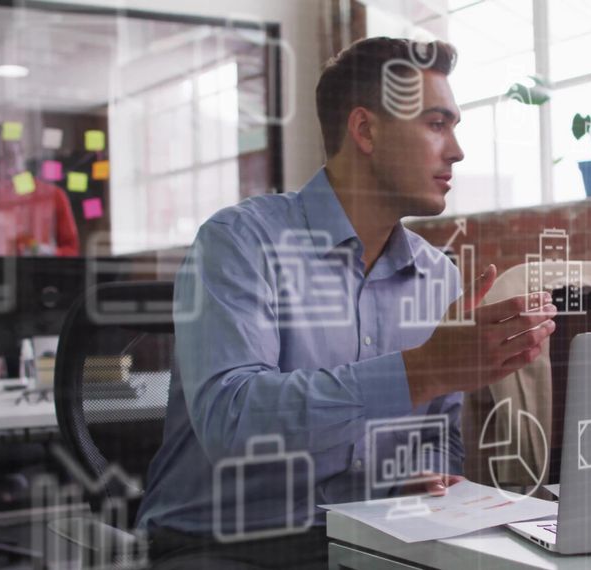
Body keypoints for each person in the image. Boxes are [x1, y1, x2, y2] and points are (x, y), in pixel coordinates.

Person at [136, 37, 558, 568]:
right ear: (365, 129)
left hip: (370, 539)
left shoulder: (438, 275)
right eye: (436, 124)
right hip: (220, 544)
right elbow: (231, 419)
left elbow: (439, 437)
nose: (456, 150)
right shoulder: (240, 242)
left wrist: (419, 474)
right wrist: (420, 369)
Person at [0, 124, 79, 256]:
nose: (4, 165)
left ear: (21, 153)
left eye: (10, 156)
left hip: (37, 272)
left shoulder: (51, 196)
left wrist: (47, 253)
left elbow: (70, 250)